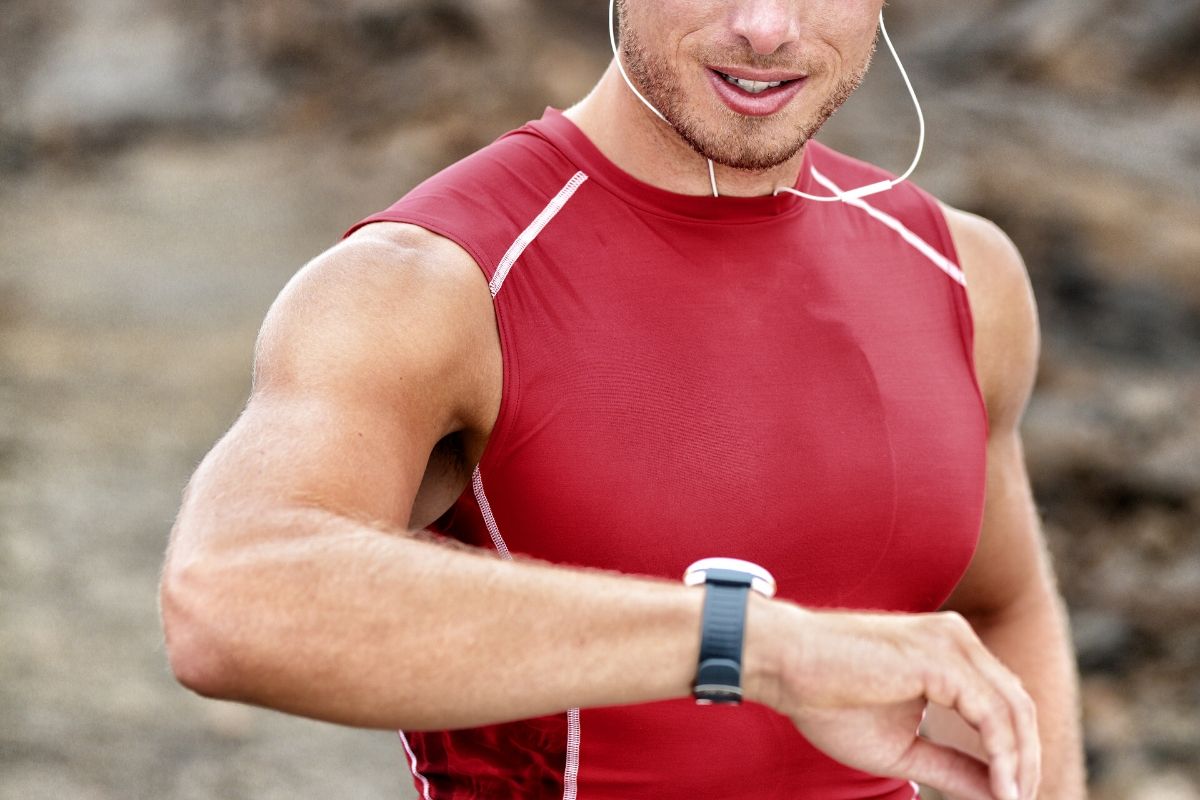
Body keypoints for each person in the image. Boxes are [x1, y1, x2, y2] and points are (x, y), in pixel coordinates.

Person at [160, 2, 1088, 798]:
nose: (764, 29)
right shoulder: (433, 280)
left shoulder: (964, 271)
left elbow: (1002, 611)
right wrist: (756, 646)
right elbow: (228, 594)